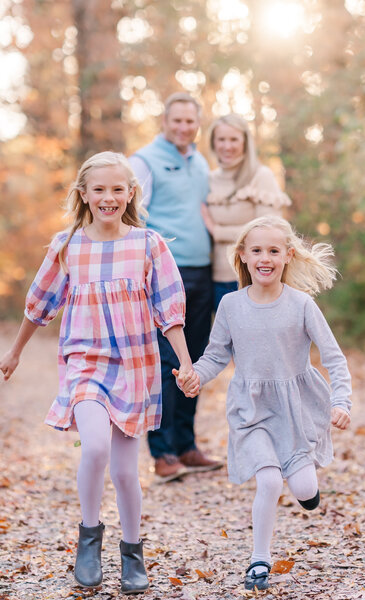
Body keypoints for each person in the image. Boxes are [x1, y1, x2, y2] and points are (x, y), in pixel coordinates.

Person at [0, 151, 195, 594]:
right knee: (94, 448)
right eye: (99, 189)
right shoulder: (67, 245)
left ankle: (132, 551)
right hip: (85, 361)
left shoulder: (149, 244)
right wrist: (14, 352)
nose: (108, 197)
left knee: (127, 471)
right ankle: (89, 540)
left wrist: (184, 361)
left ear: (130, 194)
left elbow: (170, 310)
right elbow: (40, 303)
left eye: (117, 189)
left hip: (135, 363)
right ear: (84, 194)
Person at [176, 216, 352, 591]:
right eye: (256, 250)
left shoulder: (301, 305)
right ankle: (260, 560)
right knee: (269, 480)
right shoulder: (230, 305)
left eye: (273, 250)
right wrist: (195, 377)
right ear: (242, 255)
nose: (264, 258)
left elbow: (334, 358)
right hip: (251, 411)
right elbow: (215, 357)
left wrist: (342, 402)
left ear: (288, 255)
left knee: (304, 488)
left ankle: (307, 489)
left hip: (297, 408)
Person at [129, 92, 222, 482]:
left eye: (190, 121)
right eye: (177, 120)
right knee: (166, 361)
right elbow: (133, 215)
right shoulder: (144, 160)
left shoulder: (201, 162)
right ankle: (163, 452)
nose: (184, 127)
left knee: (195, 359)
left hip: (203, 271)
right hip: (165, 272)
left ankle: (186, 445)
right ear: (164, 121)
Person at [201, 113, 292, 310]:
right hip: (217, 279)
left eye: (234, 139)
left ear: (245, 142)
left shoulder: (261, 176)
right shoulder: (209, 179)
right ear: (213, 143)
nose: (227, 146)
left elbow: (270, 232)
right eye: (221, 139)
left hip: (255, 278)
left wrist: (218, 231)